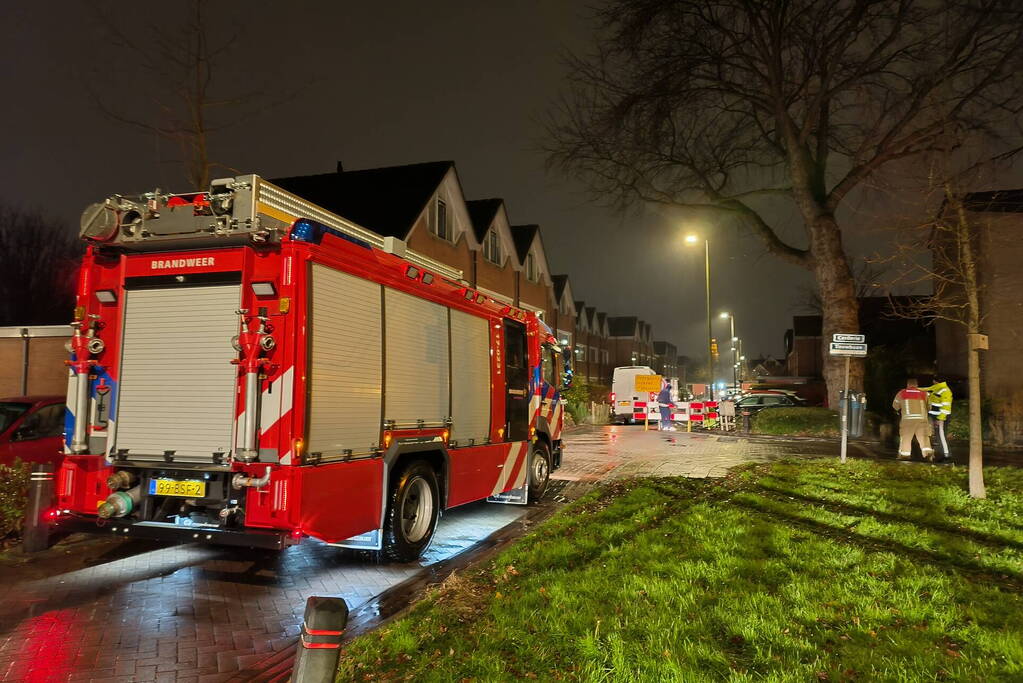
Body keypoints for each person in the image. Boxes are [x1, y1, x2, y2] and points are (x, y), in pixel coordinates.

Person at [892, 378, 934, 461]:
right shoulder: (924, 393)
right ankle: (928, 455)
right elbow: (929, 407)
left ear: (907, 385)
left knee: (906, 438)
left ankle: (905, 456)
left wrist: (899, 410)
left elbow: (895, 406)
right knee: (924, 438)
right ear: (917, 385)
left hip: (908, 420)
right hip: (922, 419)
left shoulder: (901, 393)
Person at [921, 379, 953, 462]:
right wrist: (914, 389)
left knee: (942, 436)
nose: (932, 382)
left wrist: (940, 419)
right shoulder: (937, 388)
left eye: (933, 380)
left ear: (935, 381)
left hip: (941, 418)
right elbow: (926, 389)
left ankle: (947, 456)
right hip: (936, 417)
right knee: (939, 436)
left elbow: (946, 407)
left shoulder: (945, 390)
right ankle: (943, 454)